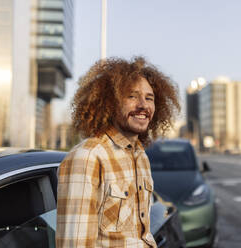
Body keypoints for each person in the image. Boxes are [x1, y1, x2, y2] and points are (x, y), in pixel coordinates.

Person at [56, 57, 180, 248]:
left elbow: (141, 236)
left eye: (149, 98)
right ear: (110, 103)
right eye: (132, 96)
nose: (143, 105)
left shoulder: (140, 157)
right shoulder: (88, 157)